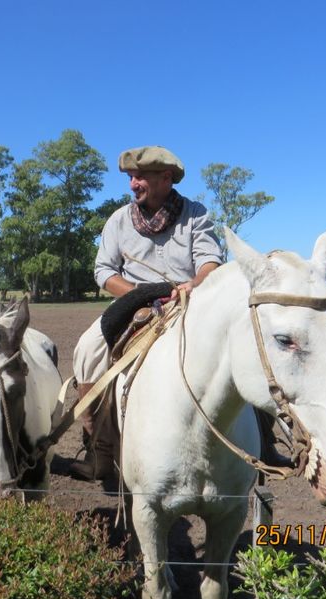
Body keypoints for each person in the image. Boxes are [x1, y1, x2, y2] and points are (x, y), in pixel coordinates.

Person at [69, 145, 224, 481]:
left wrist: (190, 287)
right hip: (132, 307)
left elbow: (211, 264)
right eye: (130, 177)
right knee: (86, 349)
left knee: (240, 345)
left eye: (140, 176)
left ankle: (262, 443)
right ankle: (101, 450)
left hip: (186, 304)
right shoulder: (119, 220)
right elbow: (104, 272)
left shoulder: (195, 215)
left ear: (166, 178)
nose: (132, 184)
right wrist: (138, 295)